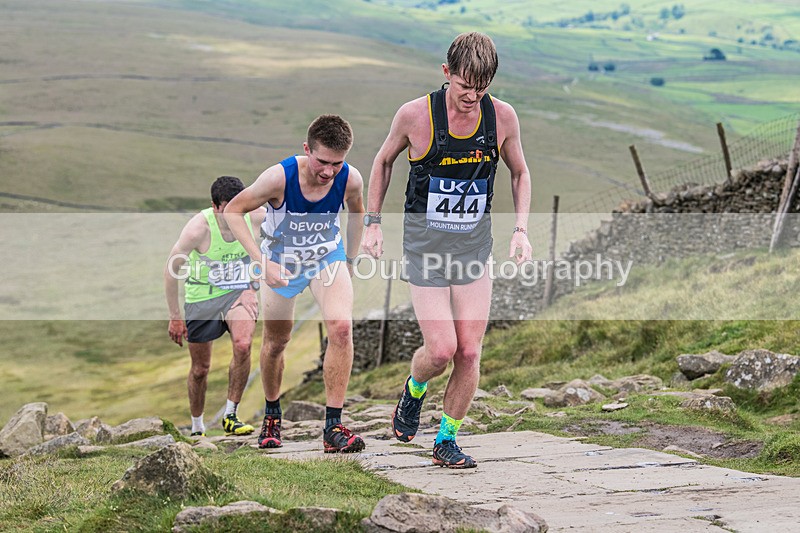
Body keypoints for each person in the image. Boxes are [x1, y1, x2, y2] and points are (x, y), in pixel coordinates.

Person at [363, 32, 533, 468]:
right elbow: (382, 162)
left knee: (470, 351)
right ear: (446, 74)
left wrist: (520, 229)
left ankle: (446, 439)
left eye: (482, 88)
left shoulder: (502, 118)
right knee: (440, 349)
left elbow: (520, 173)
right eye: (464, 87)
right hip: (425, 249)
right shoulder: (415, 115)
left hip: (473, 248)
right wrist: (373, 222)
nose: (472, 98)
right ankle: (414, 390)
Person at [225, 114, 367, 453]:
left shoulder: (350, 179)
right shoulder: (279, 178)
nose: (328, 171)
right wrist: (262, 263)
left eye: (337, 163)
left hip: (326, 260)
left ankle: (333, 426)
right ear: (307, 149)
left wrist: (349, 258)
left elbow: (358, 211)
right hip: (280, 266)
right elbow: (233, 211)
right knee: (276, 342)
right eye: (322, 162)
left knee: (341, 328)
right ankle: (272, 415)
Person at [164, 176, 266, 437]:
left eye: (239, 206)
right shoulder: (198, 228)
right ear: (214, 206)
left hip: (237, 293)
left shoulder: (254, 216)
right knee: (200, 369)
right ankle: (197, 428)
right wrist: (175, 317)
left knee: (243, 345)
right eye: (227, 207)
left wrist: (252, 286)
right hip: (202, 297)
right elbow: (171, 269)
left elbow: (284, 225)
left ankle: (231, 415)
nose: (234, 213)